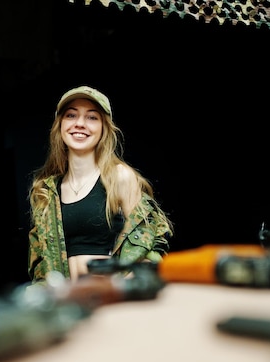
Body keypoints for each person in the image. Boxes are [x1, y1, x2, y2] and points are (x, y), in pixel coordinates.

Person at [27, 85, 174, 286]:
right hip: (66, 302)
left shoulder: (119, 177)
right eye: (71, 115)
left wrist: (124, 284)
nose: (80, 123)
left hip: (110, 297)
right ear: (60, 124)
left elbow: (152, 240)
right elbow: (39, 261)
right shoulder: (45, 191)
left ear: (104, 127)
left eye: (92, 117)